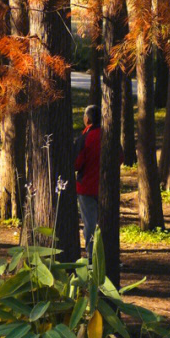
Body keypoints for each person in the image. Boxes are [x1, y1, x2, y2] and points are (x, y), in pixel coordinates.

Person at [74, 104, 101, 259]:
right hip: (105, 188)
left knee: (89, 224)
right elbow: (120, 157)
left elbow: (76, 163)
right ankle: (107, 255)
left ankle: (92, 256)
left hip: (86, 188)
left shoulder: (85, 137)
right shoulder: (108, 134)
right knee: (105, 224)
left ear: (87, 119)